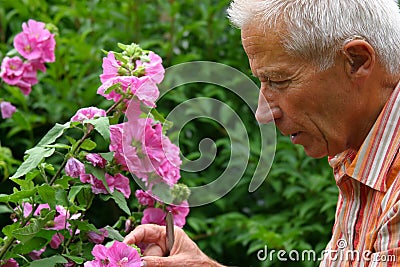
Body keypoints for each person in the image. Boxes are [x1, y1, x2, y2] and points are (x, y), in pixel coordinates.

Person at [124, 0, 400, 266]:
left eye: (279, 80)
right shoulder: (360, 155)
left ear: (356, 61)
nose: (263, 113)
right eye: (262, 81)